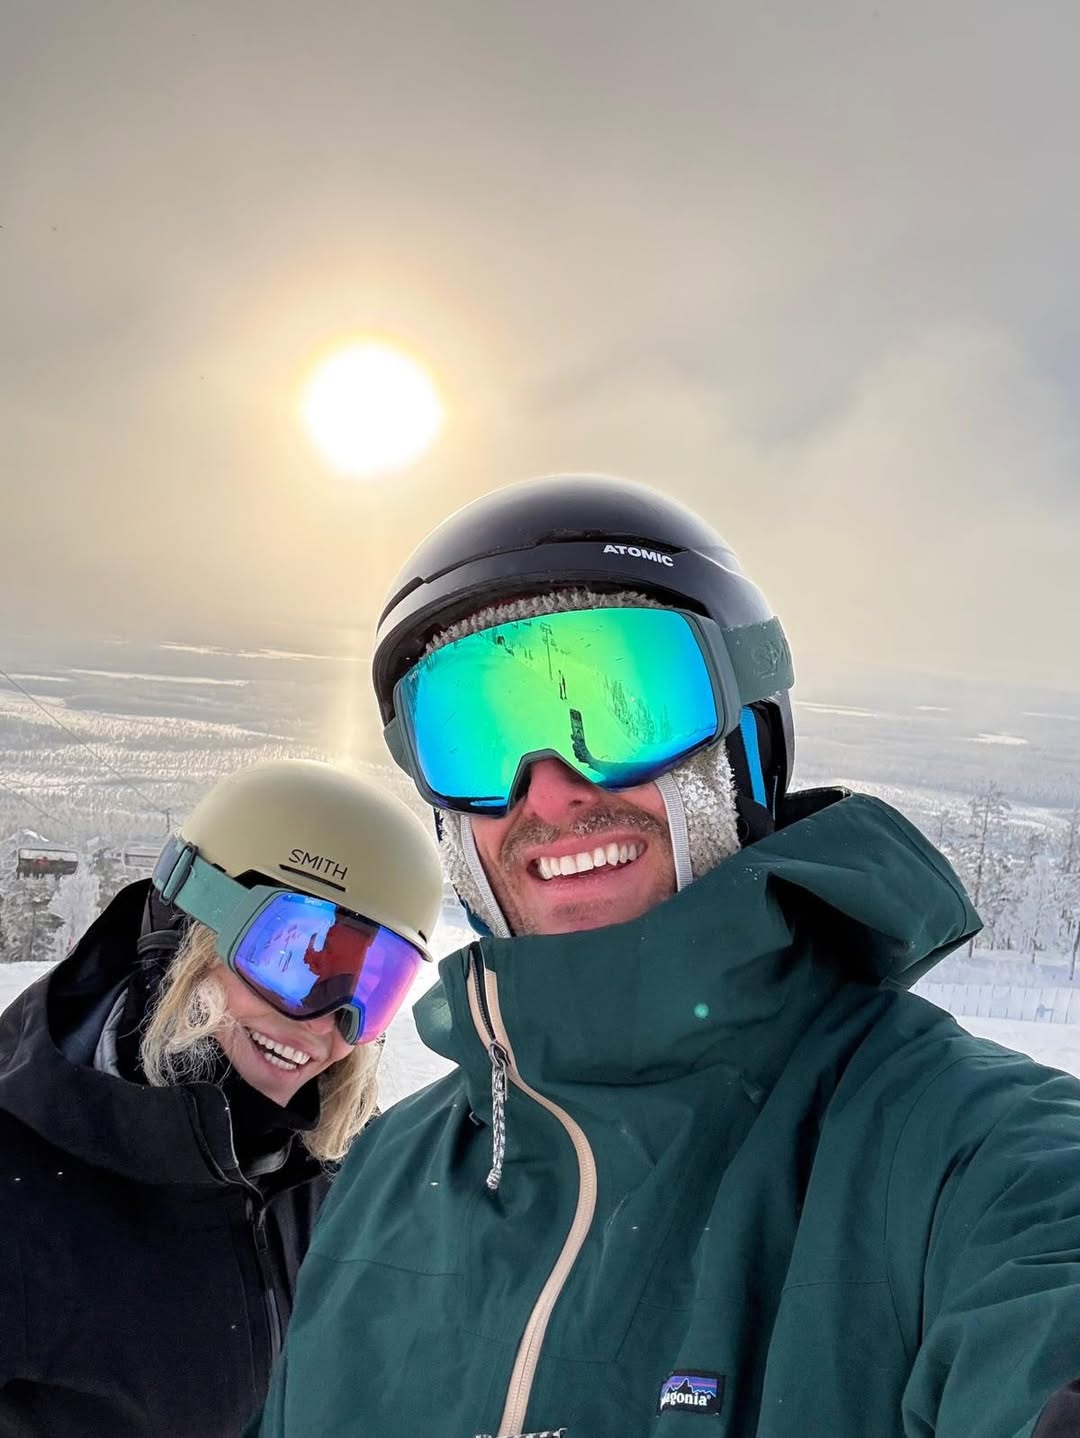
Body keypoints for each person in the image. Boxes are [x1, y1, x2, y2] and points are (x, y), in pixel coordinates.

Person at [253, 477, 1080, 1438]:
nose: (550, 793)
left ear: (746, 748)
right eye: (475, 735)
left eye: (622, 709)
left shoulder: (966, 1159)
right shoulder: (380, 1180)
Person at [0, 757, 441, 1438]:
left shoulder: (343, 1185)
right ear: (185, 929)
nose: (323, 1024)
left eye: (369, 987)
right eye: (292, 957)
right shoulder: (18, 1188)